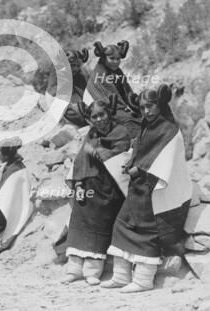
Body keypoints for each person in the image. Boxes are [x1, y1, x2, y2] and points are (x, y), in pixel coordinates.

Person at [103, 84, 192, 292]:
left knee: (147, 231)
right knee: (121, 225)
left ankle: (143, 280)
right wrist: (131, 162)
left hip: (157, 189)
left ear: (160, 105)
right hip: (139, 188)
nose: (146, 111)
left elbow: (165, 161)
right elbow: (140, 150)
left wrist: (140, 170)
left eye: (150, 106)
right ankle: (121, 276)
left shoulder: (170, 130)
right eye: (143, 107)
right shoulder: (147, 126)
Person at [62, 97, 132, 286]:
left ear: (109, 113)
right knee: (79, 220)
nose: (99, 119)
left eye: (102, 114)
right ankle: (74, 269)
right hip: (87, 187)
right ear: (90, 119)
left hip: (110, 190)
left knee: (99, 225)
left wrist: (98, 152)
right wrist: (77, 185)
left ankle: (92, 271)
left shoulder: (121, 132)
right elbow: (81, 161)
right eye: (95, 116)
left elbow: (121, 158)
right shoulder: (91, 134)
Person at [82, 41, 142, 139]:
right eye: (112, 58)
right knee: (128, 120)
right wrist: (126, 110)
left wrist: (135, 104)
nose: (116, 61)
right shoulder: (100, 75)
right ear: (104, 58)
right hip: (98, 106)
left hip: (115, 104)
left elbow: (127, 91)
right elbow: (107, 101)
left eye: (118, 59)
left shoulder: (117, 71)